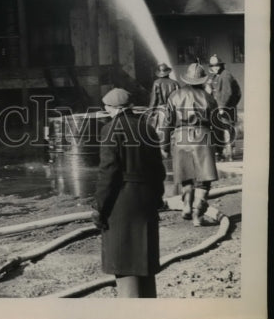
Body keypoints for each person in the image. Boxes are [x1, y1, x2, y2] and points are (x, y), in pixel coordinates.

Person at [93, 87, 166, 298]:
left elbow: (108, 172)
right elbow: (159, 171)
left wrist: (99, 206)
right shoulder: (147, 128)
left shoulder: (110, 129)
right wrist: (156, 198)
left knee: (125, 261)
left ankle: (130, 310)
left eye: (106, 108)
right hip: (146, 201)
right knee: (145, 262)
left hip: (121, 203)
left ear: (111, 108)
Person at [160, 62, 219, 226]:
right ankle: (198, 213)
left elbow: (167, 122)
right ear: (201, 80)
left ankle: (186, 204)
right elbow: (217, 123)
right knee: (203, 180)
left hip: (180, 137)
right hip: (203, 137)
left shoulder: (175, 96)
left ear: (186, 78)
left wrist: (164, 144)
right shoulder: (209, 98)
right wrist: (220, 145)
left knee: (186, 175)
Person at [207, 54, 242, 160]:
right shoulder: (215, 76)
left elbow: (228, 93)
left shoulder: (226, 75)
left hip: (225, 110)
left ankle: (229, 154)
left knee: (227, 131)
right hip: (218, 109)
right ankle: (221, 153)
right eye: (212, 66)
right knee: (219, 131)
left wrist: (222, 107)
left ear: (221, 65)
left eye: (217, 65)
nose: (215, 68)